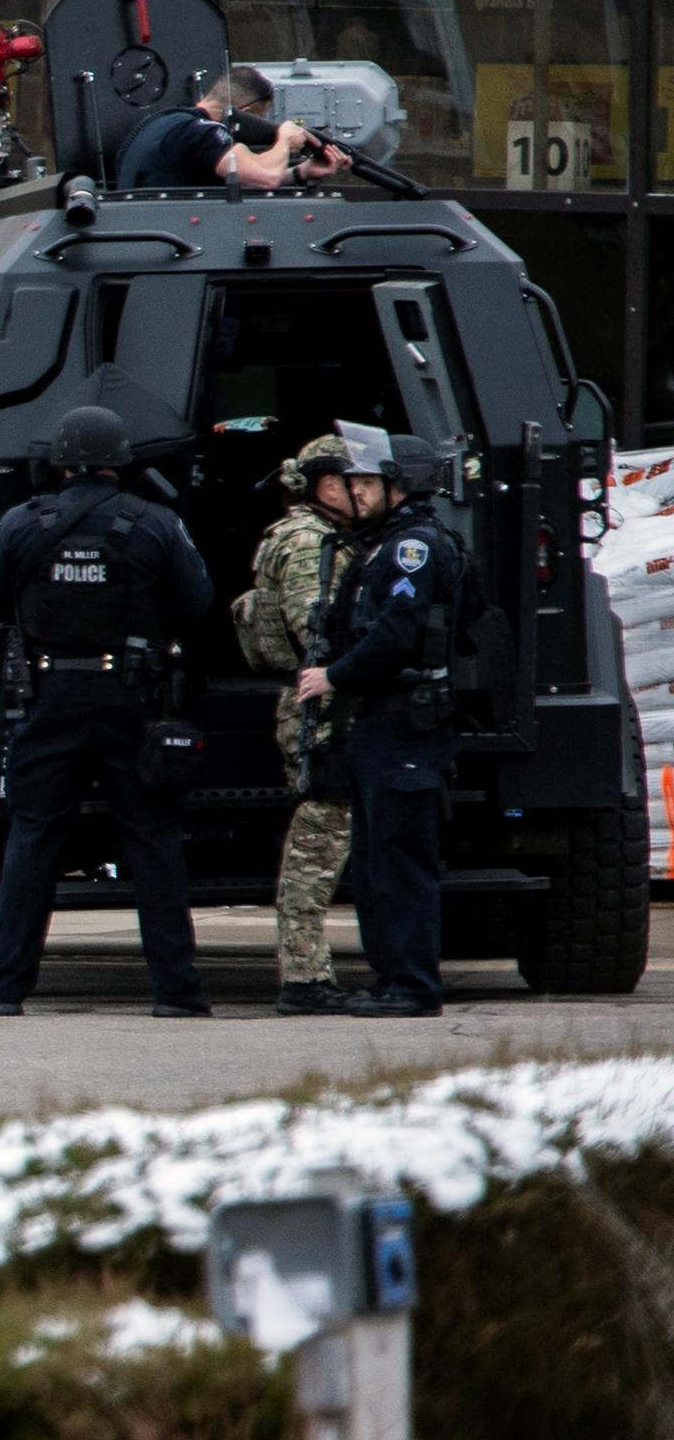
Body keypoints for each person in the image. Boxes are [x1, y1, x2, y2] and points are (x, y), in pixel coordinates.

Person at [0, 403, 218, 1017]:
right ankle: (177, 994)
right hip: (132, 702)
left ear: (59, 462)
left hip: (49, 698)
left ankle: (3, 992)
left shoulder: (23, 523)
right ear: (120, 464)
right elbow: (198, 601)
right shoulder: (155, 523)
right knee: (154, 844)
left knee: (33, 842)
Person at [299, 430, 471, 1016]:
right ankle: (392, 980)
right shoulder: (384, 544)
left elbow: (396, 634)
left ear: (402, 485)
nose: (357, 491)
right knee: (376, 862)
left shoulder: (412, 548)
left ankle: (413, 985)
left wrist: (335, 677)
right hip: (382, 722)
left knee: (399, 859)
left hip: (404, 721)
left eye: (369, 482)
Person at [233, 435, 359, 1013]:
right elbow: (320, 631)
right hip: (321, 708)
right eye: (356, 481)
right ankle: (305, 977)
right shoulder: (311, 543)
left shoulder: (316, 535)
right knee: (318, 839)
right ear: (328, 485)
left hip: (322, 703)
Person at [116, 68, 352, 192]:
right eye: (259, 118)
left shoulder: (166, 122)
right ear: (245, 112)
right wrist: (284, 139)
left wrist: (302, 172)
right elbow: (266, 178)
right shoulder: (204, 132)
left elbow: (247, 177)